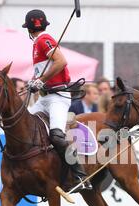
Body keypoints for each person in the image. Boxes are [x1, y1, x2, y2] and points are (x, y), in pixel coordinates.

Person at [23, 9, 91, 190]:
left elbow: (61, 61)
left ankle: (80, 176)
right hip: (44, 98)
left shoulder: (44, 40)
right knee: (22, 129)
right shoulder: (39, 42)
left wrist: (41, 80)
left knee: (57, 136)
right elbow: (43, 71)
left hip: (57, 98)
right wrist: (34, 81)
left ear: (28, 29)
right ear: (44, 24)